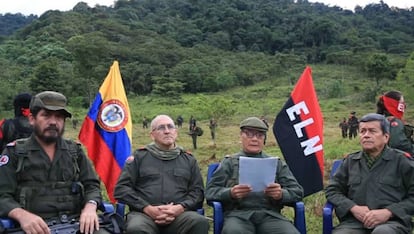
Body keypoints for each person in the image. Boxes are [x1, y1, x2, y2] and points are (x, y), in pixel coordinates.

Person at [0, 91, 110, 234]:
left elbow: (92, 186)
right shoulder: (15, 153)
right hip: (33, 228)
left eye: (59, 117)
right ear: (32, 119)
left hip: (76, 224)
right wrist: (21, 215)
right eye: (46, 115)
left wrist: (90, 206)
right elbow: (2, 195)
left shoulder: (74, 152)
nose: (53, 122)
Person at [205, 117, 304, 234]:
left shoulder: (276, 163)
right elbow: (210, 192)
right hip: (238, 216)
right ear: (241, 136)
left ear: (264, 139)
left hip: (270, 215)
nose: (254, 139)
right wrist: (230, 193)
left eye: (260, 135)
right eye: (249, 134)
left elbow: (298, 191)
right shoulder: (229, 162)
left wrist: (281, 194)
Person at [114, 114, 209, 234]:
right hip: (144, 215)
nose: (167, 131)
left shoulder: (188, 160)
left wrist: (180, 208)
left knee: (198, 222)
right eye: (161, 128)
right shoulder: (139, 157)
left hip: (179, 216)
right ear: (152, 135)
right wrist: (147, 208)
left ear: (176, 132)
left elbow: (197, 192)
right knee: (136, 228)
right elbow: (121, 189)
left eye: (170, 127)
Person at [325, 113, 414, 234]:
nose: (366, 135)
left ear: (386, 137)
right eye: (362, 131)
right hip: (355, 222)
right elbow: (333, 190)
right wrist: (353, 208)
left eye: (372, 131)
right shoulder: (350, 161)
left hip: (392, 222)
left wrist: (389, 211)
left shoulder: (402, 161)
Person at [376, 90, 414, 156]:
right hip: (399, 160)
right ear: (394, 103)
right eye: (402, 102)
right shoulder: (394, 121)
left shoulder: (381, 119)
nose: (404, 105)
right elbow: (398, 143)